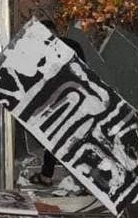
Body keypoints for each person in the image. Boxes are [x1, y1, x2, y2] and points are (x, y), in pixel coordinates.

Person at [28, 19, 86, 186]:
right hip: (75, 97)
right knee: (68, 138)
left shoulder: (45, 50)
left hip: (60, 100)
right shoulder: (72, 45)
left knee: (55, 137)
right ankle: (79, 179)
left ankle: (48, 176)